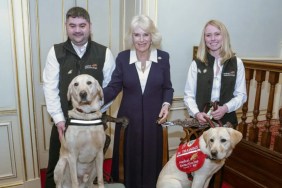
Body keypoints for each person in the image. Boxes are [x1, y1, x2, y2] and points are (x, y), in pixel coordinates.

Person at [43, 7, 115, 187]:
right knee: (55, 169)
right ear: (66, 26)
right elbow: (50, 88)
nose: (77, 30)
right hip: (64, 123)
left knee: (92, 167)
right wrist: (59, 119)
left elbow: (110, 88)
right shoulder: (56, 52)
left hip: (95, 122)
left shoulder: (104, 53)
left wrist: (96, 112)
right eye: (72, 25)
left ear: (90, 26)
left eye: (82, 25)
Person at [103, 15, 174, 188]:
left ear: (152, 36)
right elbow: (114, 87)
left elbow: (168, 88)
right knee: (129, 160)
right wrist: (93, 98)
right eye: (137, 35)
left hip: (154, 121)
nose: (141, 40)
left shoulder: (163, 58)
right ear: (131, 37)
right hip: (128, 121)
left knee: (153, 158)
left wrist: (166, 104)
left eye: (146, 34)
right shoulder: (122, 58)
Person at [184, 19, 247, 186]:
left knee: (218, 167)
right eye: (208, 35)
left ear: (224, 36)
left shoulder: (237, 63)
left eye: (217, 34)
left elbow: (241, 95)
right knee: (199, 167)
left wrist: (226, 107)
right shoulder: (196, 63)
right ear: (204, 39)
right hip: (201, 125)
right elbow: (188, 95)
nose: (213, 39)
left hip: (226, 124)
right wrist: (197, 113)